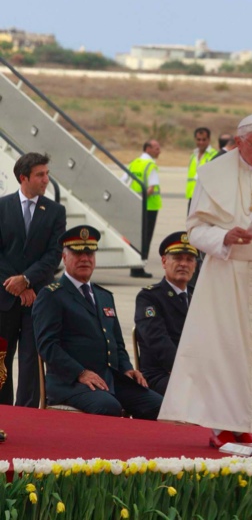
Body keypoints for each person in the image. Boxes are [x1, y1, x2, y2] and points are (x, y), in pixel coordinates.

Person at [159, 114, 252, 447]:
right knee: (226, 352)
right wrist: (225, 235)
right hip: (227, 275)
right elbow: (195, 230)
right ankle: (221, 425)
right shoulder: (213, 175)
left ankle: (247, 423)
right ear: (239, 142)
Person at [32, 225, 162, 418]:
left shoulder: (103, 296)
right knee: (108, 406)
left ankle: (137, 448)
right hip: (71, 383)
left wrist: (127, 368)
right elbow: (47, 346)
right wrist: (80, 372)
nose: (85, 258)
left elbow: (117, 343)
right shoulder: (51, 295)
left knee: (158, 405)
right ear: (64, 258)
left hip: (108, 378)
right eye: (78, 253)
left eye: (90, 253)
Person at [0, 152, 66, 407]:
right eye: (40, 175)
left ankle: (25, 413)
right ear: (23, 177)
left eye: (47, 174)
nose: (46, 180)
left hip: (37, 299)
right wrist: (15, 285)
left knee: (30, 360)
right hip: (5, 298)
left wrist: (26, 280)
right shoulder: (2, 207)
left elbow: (53, 255)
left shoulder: (55, 212)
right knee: (2, 359)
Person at [134, 231, 198, 395]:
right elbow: (158, 341)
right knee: (198, 393)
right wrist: (185, 371)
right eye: (177, 258)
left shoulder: (199, 296)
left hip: (194, 372)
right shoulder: (149, 297)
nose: (183, 264)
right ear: (164, 261)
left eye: (189, 259)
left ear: (195, 266)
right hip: (160, 374)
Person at [123, 140, 162, 278]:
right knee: (145, 237)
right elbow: (151, 188)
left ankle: (134, 265)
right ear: (148, 148)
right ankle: (138, 267)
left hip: (135, 205)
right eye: (157, 148)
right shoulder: (151, 165)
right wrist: (143, 198)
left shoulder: (135, 163)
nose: (159, 151)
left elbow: (123, 181)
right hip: (149, 207)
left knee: (135, 237)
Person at [185, 127, 217, 212]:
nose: (201, 142)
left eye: (204, 140)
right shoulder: (193, 156)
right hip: (192, 197)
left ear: (209, 140)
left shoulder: (214, 155)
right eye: (198, 139)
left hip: (205, 198)